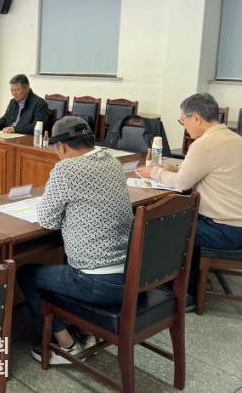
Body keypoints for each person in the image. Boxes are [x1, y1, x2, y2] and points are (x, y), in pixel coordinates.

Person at [17, 116, 133, 365]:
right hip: (130, 275)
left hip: (95, 283)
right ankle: (81, 328)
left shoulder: (66, 169)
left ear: (61, 146)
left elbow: (47, 220)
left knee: (26, 274)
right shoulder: (112, 161)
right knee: (63, 258)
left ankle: (67, 346)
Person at [137, 93, 242, 249]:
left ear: (196, 118)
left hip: (225, 229)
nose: (184, 126)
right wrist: (174, 168)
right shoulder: (235, 139)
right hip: (235, 225)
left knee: (155, 226)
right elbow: (207, 169)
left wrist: (153, 172)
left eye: (183, 120)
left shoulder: (204, 144)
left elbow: (182, 183)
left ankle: (178, 267)